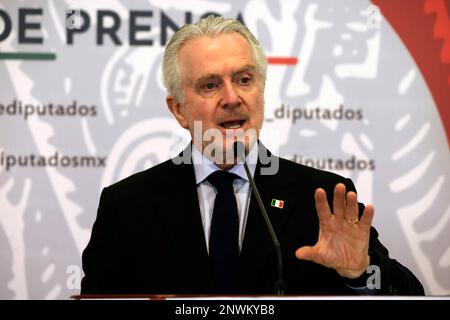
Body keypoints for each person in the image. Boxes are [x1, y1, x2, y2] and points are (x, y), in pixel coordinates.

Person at [81, 15, 424, 296]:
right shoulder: (127, 207)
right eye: (210, 85)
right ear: (179, 110)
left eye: (244, 79)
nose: (232, 98)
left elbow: (411, 296)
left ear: (261, 92)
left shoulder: (323, 199)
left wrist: (360, 273)